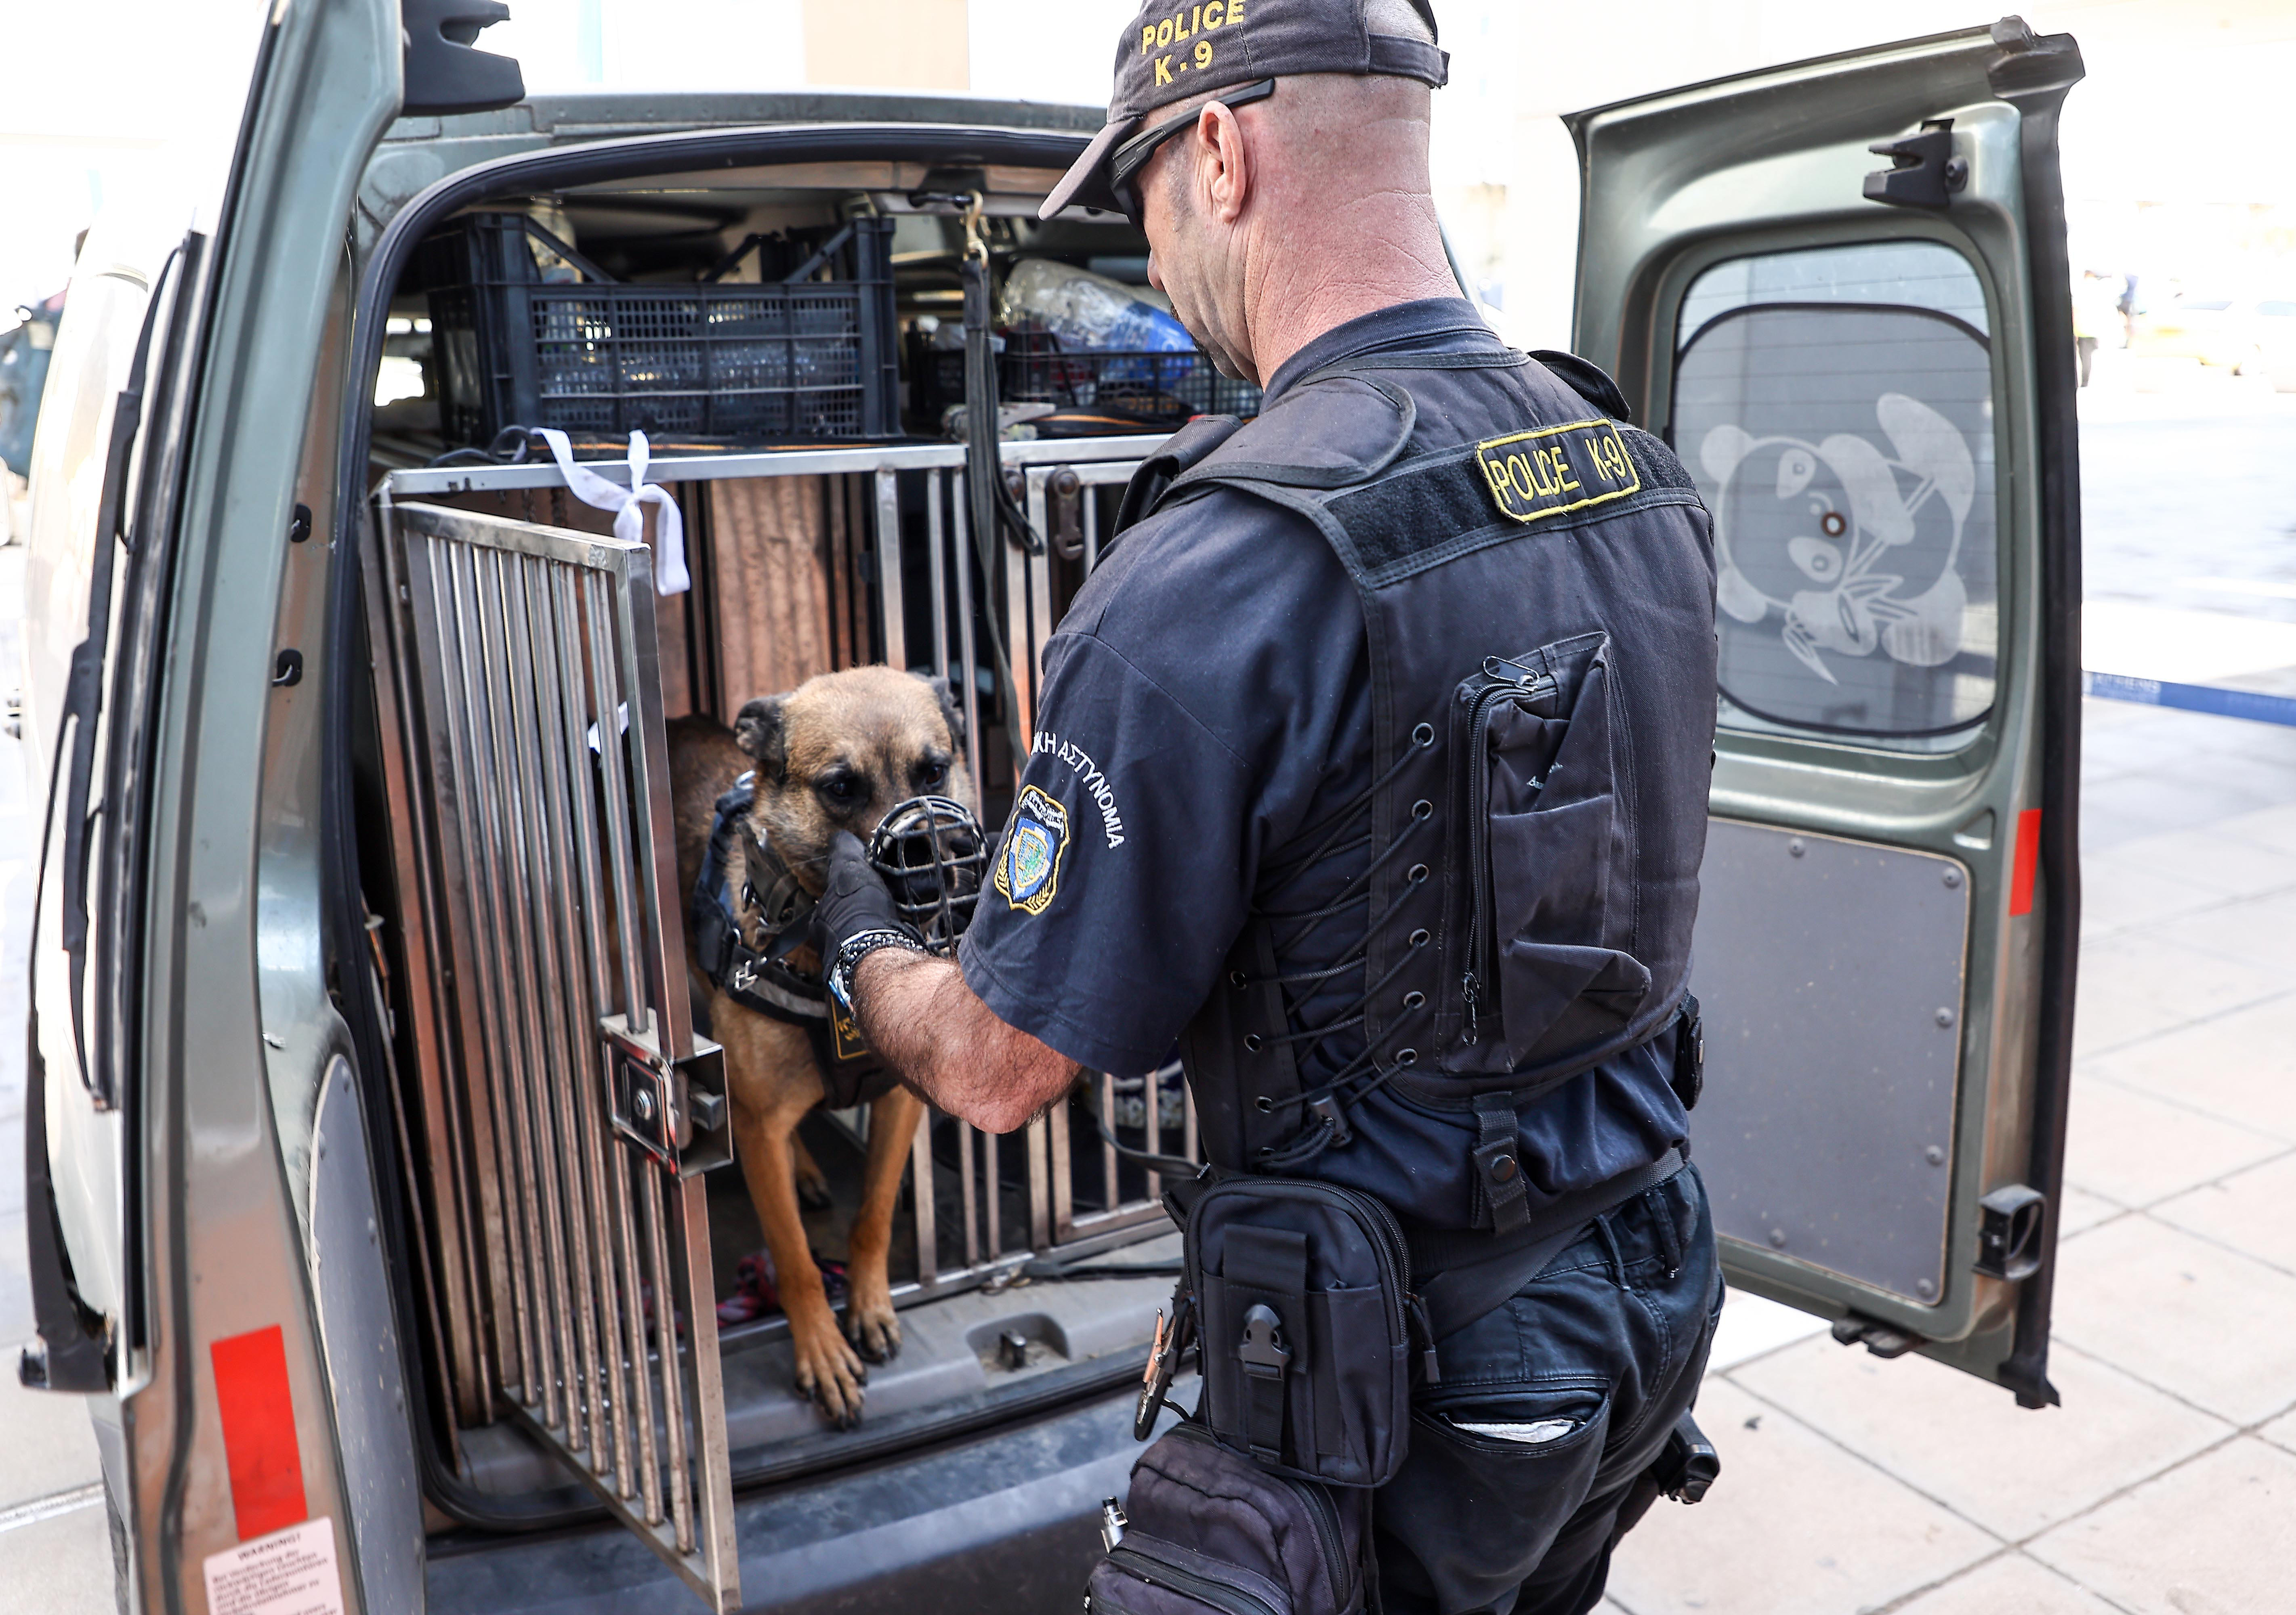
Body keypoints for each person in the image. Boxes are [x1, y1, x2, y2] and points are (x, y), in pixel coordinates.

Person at [811, 2, 1723, 1609]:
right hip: (1642, 1294)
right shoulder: (1629, 464)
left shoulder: (1216, 573)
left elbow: (997, 1066)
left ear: (1219, 154)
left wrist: (857, 939)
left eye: (1148, 202)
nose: (1156, 263)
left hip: (1408, 1376)